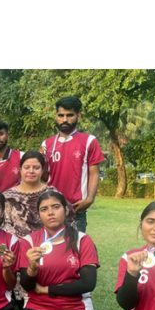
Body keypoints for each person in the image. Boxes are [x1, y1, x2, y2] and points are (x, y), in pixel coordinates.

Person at [17, 190, 100, 310]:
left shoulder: (82, 240)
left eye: (55, 207)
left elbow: (88, 283)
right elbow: (28, 286)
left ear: (66, 210)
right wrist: (31, 267)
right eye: (44, 209)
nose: (50, 213)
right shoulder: (29, 242)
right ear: (39, 215)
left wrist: (48, 289)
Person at [40, 96, 104, 232]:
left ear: (78, 116)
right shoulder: (46, 144)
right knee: (50, 250)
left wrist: (90, 199)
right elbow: (42, 178)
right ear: (56, 116)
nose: (64, 119)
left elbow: (94, 173)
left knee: (74, 251)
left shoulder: (89, 141)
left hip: (76, 209)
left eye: (70, 115)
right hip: (51, 208)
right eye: (61, 115)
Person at [1, 150, 74, 238]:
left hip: (51, 245)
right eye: (27, 167)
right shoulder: (8, 197)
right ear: (20, 170)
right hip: (17, 247)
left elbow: (68, 221)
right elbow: (4, 226)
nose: (31, 171)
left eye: (36, 168)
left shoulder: (53, 194)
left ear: (42, 170)